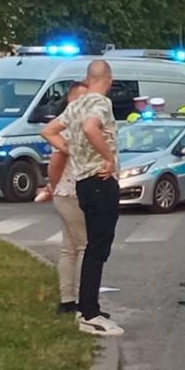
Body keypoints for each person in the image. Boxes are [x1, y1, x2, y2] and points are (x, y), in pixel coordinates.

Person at [69, 60, 125, 336]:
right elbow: (92, 128)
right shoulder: (101, 103)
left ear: (87, 78)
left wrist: (77, 157)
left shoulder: (75, 105)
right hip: (101, 183)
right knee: (98, 249)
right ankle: (90, 314)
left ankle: (85, 306)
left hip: (82, 182)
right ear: (109, 79)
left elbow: (50, 131)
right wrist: (108, 157)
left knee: (92, 246)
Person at [38, 82, 90, 313]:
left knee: (70, 249)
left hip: (66, 192)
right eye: (80, 98)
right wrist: (53, 185)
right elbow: (57, 161)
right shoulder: (70, 126)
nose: (85, 103)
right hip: (71, 192)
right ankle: (82, 300)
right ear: (70, 100)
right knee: (85, 247)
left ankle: (68, 300)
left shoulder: (73, 124)